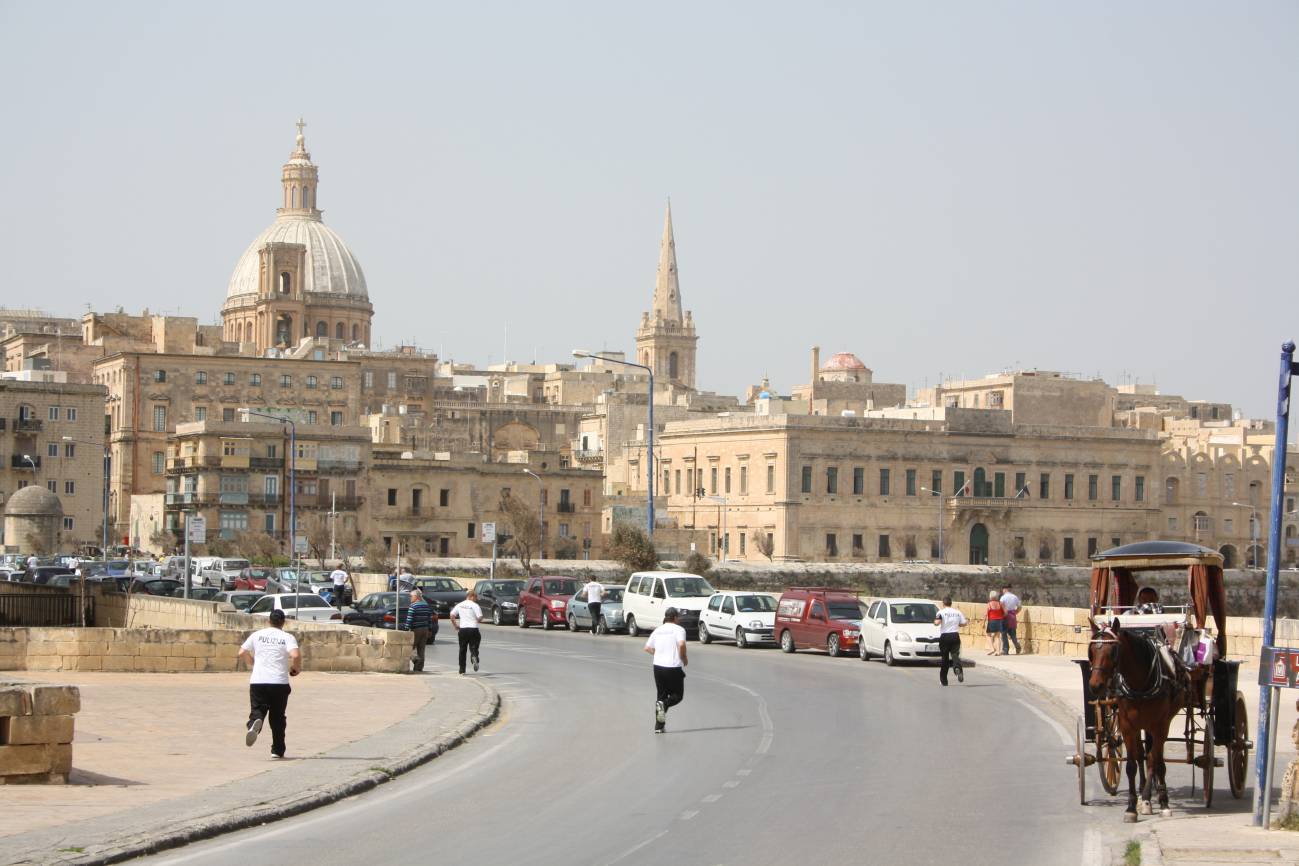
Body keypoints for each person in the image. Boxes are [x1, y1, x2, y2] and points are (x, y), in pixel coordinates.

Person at [238, 608, 301, 759]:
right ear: (283, 622)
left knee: (258, 709)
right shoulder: (287, 637)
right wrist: (295, 669)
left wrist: (252, 663)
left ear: (269, 621)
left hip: (259, 681)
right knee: (278, 717)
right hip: (279, 682)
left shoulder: (257, 635)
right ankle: (277, 750)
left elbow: (241, 652)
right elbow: (295, 655)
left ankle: (254, 722)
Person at [643, 607, 688, 733]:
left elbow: (647, 648)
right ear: (674, 617)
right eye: (678, 617)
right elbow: (682, 644)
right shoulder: (679, 629)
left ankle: (659, 726)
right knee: (677, 696)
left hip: (658, 667)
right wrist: (684, 658)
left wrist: (658, 654)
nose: (679, 619)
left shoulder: (658, 630)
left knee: (661, 696)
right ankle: (664, 705)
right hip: (673, 666)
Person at [934, 597, 967, 686]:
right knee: (955, 654)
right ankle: (957, 668)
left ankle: (944, 681)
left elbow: (937, 622)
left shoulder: (941, 612)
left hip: (945, 636)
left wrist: (935, 622)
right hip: (955, 636)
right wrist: (957, 624)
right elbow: (964, 623)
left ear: (943, 604)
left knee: (945, 659)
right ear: (951, 603)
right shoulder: (957, 612)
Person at [450, 589, 483, 675]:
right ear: (472, 596)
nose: (476, 599)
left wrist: (455, 625)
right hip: (473, 629)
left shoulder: (460, 605)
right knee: (474, 647)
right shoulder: (475, 605)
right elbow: (480, 617)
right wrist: (477, 620)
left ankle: (462, 670)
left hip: (463, 629)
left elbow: (452, 615)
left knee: (462, 650)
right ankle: (474, 656)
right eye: (475, 597)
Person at [405, 589, 435, 672]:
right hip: (425, 629)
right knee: (421, 649)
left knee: (409, 648)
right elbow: (429, 619)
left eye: (411, 596)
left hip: (416, 630)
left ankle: (415, 659)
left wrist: (406, 629)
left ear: (416, 597)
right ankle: (419, 668)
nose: (410, 598)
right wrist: (430, 629)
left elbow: (409, 620)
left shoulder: (413, 606)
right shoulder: (426, 605)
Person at [999, 583, 1022, 655]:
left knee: (1004, 633)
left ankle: (1005, 650)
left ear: (1005, 589)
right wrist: (1015, 612)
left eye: (1003, 589)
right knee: (1013, 634)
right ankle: (1017, 645)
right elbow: (1019, 607)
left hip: (1005, 617)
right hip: (1012, 616)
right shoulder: (1015, 597)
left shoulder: (1003, 598)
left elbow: (1001, 607)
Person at [984, 589, 1004, 655]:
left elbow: (985, 614)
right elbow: (1005, 612)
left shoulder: (989, 604)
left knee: (988, 635)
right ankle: (998, 651)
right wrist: (1001, 617)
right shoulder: (1000, 604)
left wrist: (983, 623)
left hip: (991, 621)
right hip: (999, 621)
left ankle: (992, 648)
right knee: (997, 636)